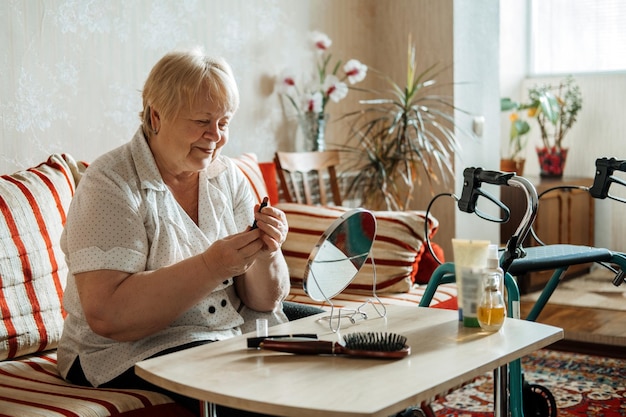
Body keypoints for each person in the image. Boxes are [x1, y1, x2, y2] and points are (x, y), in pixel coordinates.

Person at [57, 47, 291, 417]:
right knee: (253, 396)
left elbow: (263, 301)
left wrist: (267, 250)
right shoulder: (111, 182)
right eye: (202, 121)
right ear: (157, 116)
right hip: (128, 348)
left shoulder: (226, 176)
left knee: (337, 342)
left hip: (222, 327)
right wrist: (212, 267)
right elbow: (107, 315)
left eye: (224, 122)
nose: (215, 136)